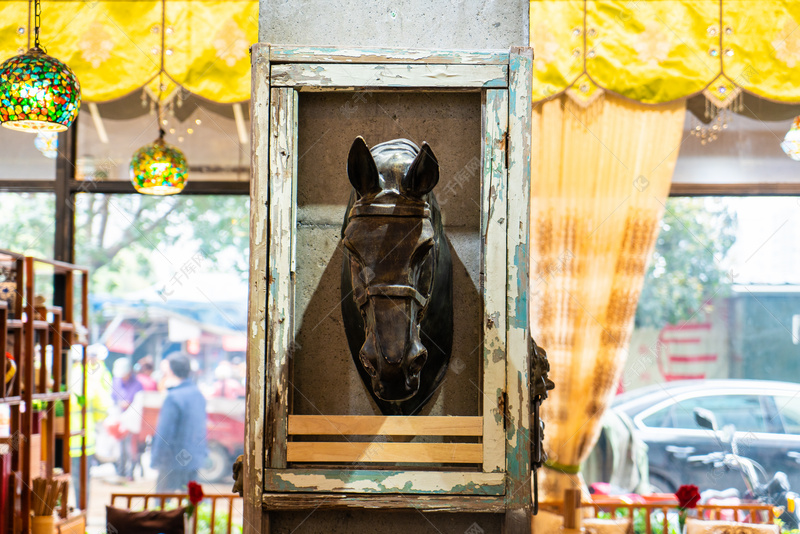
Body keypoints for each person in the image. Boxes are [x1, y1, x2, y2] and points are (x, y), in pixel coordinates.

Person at [151, 354, 207, 491]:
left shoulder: (173, 397)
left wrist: (157, 459)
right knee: (191, 500)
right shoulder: (198, 394)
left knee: (163, 503)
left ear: (170, 370)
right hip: (193, 457)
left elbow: (164, 432)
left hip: (173, 459)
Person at [69, 345, 110, 508]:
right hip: (84, 438)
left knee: (71, 479)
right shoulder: (90, 376)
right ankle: (82, 512)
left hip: (66, 439)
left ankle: (75, 513)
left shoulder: (67, 373)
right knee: (82, 479)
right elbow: (102, 404)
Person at [111, 358, 143, 480]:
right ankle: (121, 471)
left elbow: (138, 401)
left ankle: (130, 472)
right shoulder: (116, 381)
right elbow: (113, 397)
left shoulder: (137, 384)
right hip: (119, 417)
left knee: (130, 447)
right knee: (120, 447)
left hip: (133, 420)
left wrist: (128, 404)